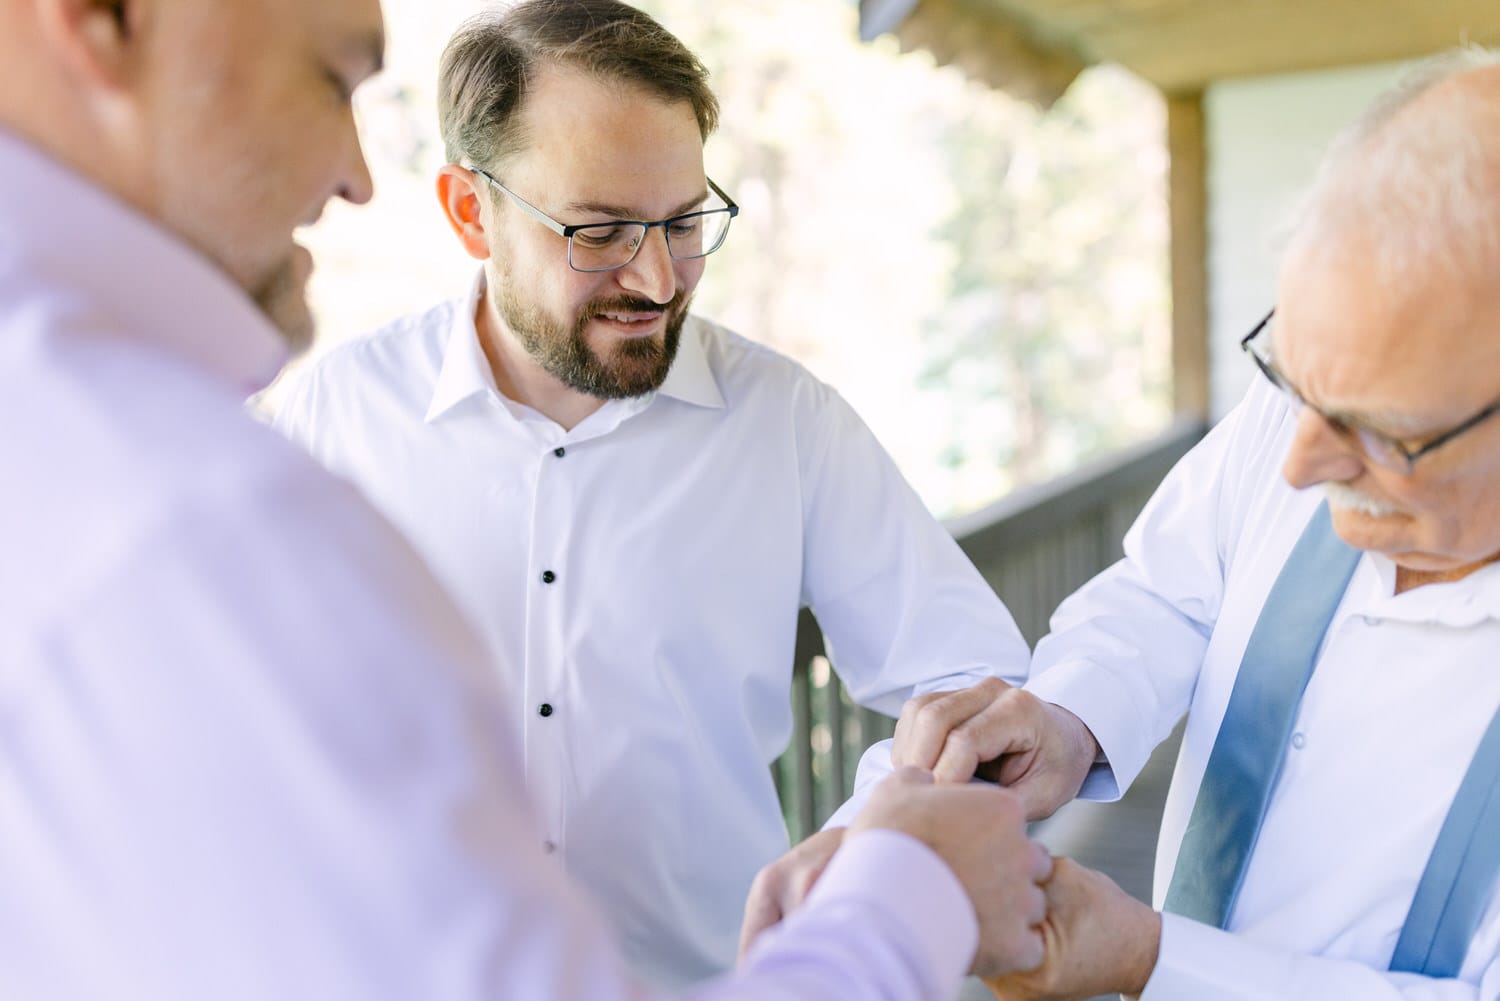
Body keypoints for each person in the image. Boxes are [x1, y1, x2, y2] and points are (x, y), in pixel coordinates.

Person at [0, 0, 1058, 999]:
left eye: (685, 220)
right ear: (472, 211)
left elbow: (974, 684)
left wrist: (875, 833)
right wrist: (902, 899)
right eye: (598, 231)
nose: (656, 278)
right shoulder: (311, 435)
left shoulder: (790, 423)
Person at [772, 49, 1500, 1001]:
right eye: (1291, 380)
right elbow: (1169, 591)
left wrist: (1155, 961)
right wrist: (1069, 719)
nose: (1299, 463)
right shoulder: (1316, 411)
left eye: (1384, 434)